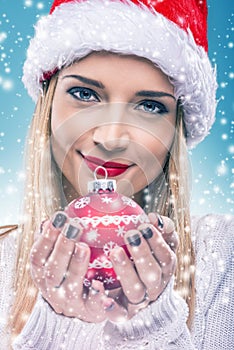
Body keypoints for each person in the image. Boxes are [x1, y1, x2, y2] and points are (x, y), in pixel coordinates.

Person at [0, 0, 233, 348]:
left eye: (150, 106)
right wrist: (56, 328)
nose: (110, 138)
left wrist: (150, 324)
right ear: (48, 105)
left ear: (175, 130)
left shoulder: (222, 255)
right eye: (84, 94)